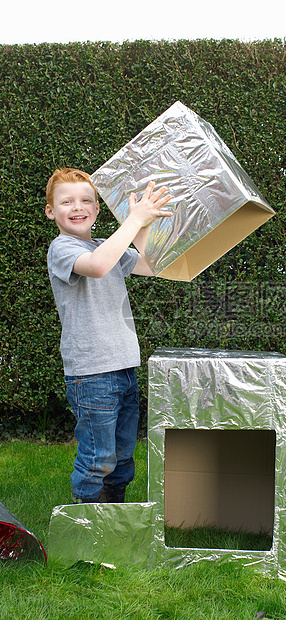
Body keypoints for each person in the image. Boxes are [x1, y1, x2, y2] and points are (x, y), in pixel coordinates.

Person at [45, 168, 172, 503]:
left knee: (121, 461)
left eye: (86, 200)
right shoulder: (62, 248)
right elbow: (98, 266)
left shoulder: (106, 245)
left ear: (98, 209)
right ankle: (84, 530)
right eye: (67, 201)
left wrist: (143, 223)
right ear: (50, 211)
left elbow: (148, 263)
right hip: (92, 375)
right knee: (97, 459)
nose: (78, 206)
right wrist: (132, 220)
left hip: (123, 369)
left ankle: (112, 523)